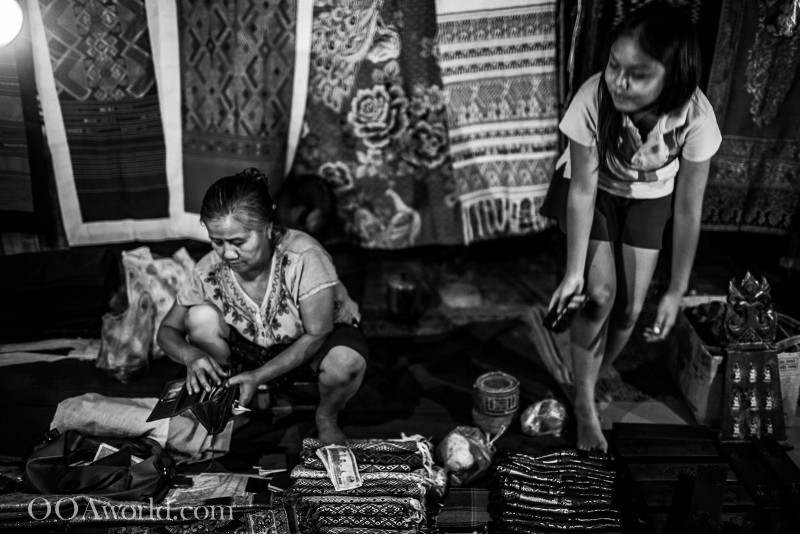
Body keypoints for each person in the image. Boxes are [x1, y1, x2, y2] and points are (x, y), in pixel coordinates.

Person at [541, 3, 721, 452]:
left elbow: (687, 210)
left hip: (650, 196)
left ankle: (589, 374)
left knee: (629, 309)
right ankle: (584, 403)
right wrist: (574, 272)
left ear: (673, 76)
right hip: (593, 190)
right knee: (600, 295)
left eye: (638, 74)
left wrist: (677, 290)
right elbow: (583, 190)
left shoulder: (696, 117)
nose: (619, 81)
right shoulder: (592, 98)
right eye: (614, 66)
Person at [157, 168, 368, 445]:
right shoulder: (208, 269)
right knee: (200, 317)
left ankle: (326, 416)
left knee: (346, 362)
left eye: (238, 242)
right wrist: (190, 355)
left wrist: (258, 376)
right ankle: (228, 401)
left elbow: (318, 333)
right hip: (249, 350)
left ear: (267, 228)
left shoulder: (303, 256)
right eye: (217, 242)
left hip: (312, 346)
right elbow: (167, 330)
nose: (228, 253)